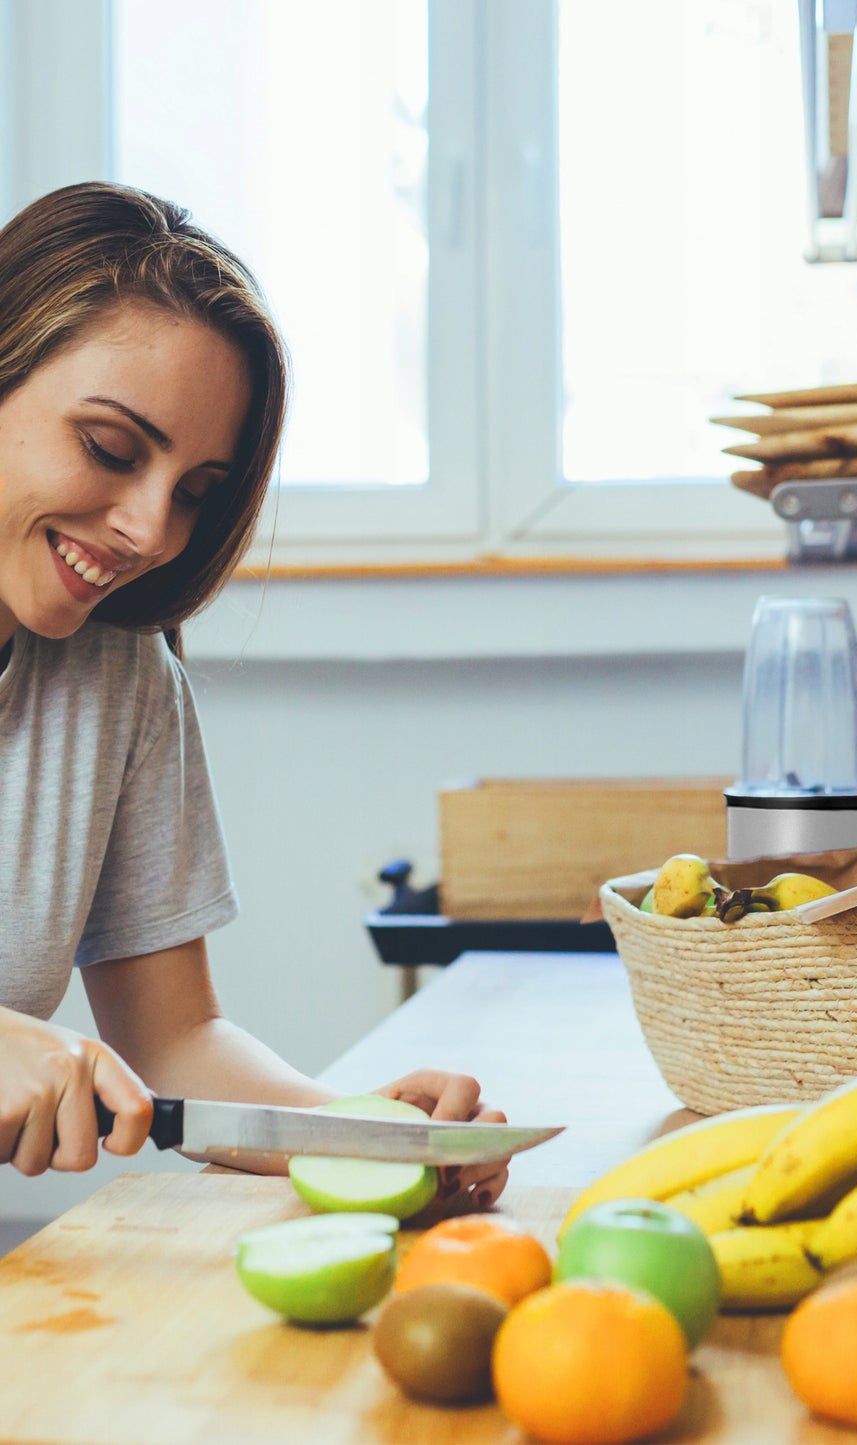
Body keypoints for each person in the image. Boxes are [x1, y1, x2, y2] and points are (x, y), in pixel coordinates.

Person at [0, 181, 509, 1213]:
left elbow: (175, 1038)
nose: (151, 531)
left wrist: (354, 1132)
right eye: (109, 448)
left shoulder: (120, 681)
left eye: (196, 491)